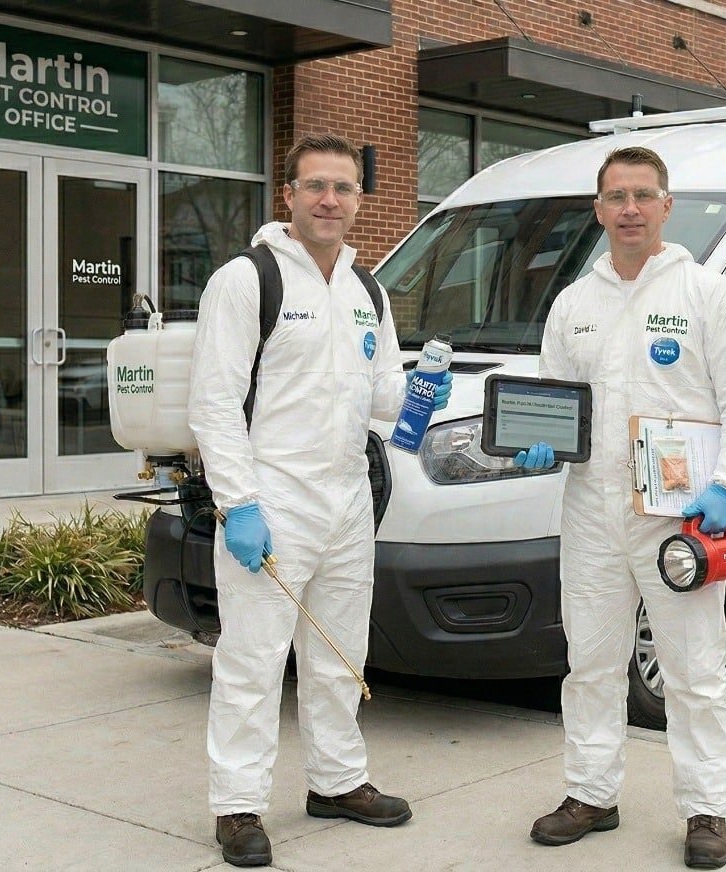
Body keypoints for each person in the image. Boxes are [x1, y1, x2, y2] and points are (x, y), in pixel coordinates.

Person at [189, 133, 451, 868]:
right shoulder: (248, 280)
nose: (329, 200)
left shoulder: (366, 291)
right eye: (315, 186)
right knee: (253, 658)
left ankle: (336, 781)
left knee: (341, 653)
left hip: (345, 497)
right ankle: (237, 805)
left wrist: (423, 392)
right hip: (272, 498)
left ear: (360, 201)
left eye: (343, 188)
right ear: (290, 196)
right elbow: (213, 404)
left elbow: (383, 395)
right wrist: (238, 504)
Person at [517, 146, 726, 870]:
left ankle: (705, 809)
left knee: (694, 670)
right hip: (593, 513)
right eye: (616, 196)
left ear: (666, 206)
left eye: (643, 195)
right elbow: (556, 402)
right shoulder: (575, 303)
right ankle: (592, 794)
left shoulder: (706, 294)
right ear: (597, 210)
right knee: (590, 662)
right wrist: (543, 445)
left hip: (680, 520)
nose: (629, 208)